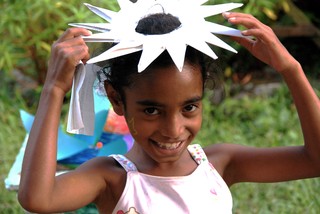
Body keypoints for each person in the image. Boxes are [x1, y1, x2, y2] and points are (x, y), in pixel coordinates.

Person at [18, 4, 320, 214]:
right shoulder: (111, 178)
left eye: (189, 107)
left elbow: (315, 160)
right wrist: (54, 89)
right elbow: (38, 199)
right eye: (152, 110)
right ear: (116, 100)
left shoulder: (220, 164)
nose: (173, 129)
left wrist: (291, 69)